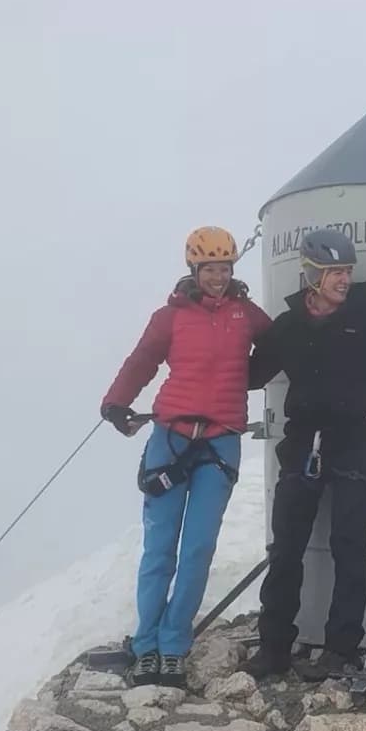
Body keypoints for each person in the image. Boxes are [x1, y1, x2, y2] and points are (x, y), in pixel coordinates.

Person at [245, 228, 366, 681]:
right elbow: (248, 373)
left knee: (350, 547)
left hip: (354, 444)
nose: (344, 279)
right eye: (334, 272)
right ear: (312, 275)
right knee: (286, 548)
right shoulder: (286, 327)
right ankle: (274, 648)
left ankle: (341, 649)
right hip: (302, 443)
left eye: (346, 271)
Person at [101, 226, 270, 688]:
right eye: (210, 269)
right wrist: (116, 403)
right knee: (159, 550)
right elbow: (142, 361)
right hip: (170, 439)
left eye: (225, 268)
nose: (218, 277)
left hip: (219, 442)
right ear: (194, 269)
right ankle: (146, 644)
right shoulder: (170, 318)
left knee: (197, 549)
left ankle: (173, 646)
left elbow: (281, 347)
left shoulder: (247, 316)